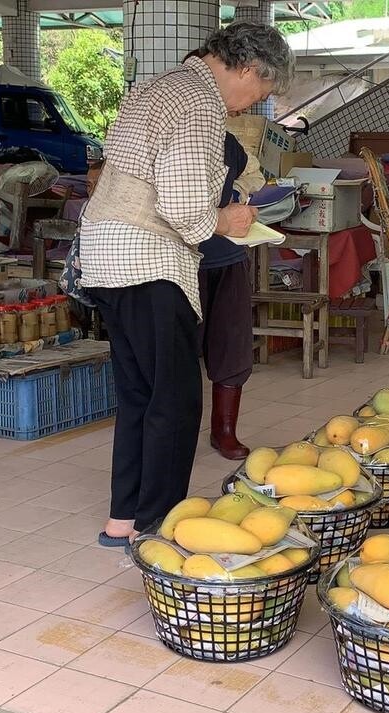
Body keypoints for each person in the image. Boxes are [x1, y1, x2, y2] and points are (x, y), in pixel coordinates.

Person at [72, 22, 293, 545]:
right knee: (174, 400)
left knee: (139, 396)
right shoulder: (199, 103)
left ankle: (121, 520)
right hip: (148, 264)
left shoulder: (160, 86)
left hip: (108, 259)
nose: (251, 105)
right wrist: (227, 221)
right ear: (246, 68)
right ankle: (156, 527)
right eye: (260, 91)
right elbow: (183, 209)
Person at [199, 130, 262, 461]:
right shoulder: (175, 140)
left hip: (228, 255)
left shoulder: (229, 144)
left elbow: (255, 175)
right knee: (177, 350)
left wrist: (238, 192)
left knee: (231, 343)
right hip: (180, 261)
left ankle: (224, 431)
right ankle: (173, 432)